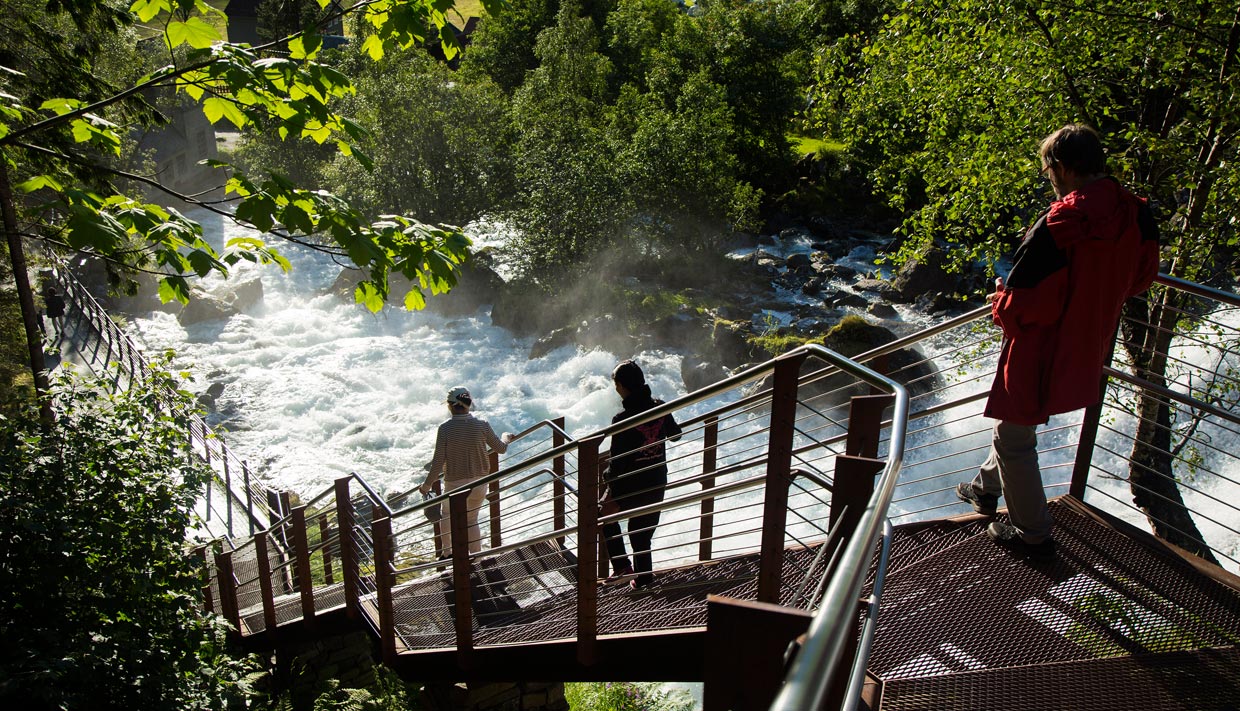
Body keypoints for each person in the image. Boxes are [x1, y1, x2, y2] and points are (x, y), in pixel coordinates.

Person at [956, 124, 1160, 560]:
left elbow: (1024, 307)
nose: (1049, 177)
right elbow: (1142, 278)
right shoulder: (1137, 212)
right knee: (1017, 424)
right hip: (1091, 337)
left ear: (1063, 168)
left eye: (1048, 169)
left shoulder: (1060, 222)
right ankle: (984, 488)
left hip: (1043, 344)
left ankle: (1034, 537)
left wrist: (1000, 300)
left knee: (1014, 433)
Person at [602, 360, 682, 590]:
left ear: (622, 386)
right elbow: (676, 435)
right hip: (657, 480)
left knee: (604, 516)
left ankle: (622, 566)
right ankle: (644, 579)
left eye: (616, 384)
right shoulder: (659, 407)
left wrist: (608, 485)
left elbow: (617, 462)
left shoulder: (622, 420)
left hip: (631, 484)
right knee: (641, 533)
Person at [418, 386, 513, 555]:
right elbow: (500, 448)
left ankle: (447, 553)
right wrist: (506, 437)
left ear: (450, 406)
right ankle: (476, 558)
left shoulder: (445, 428)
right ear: (469, 403)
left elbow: (438, 462)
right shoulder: (482, 425)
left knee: (447, 515)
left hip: (454, 483)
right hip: (480, 482)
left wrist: (426, 486)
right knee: (471, 520)